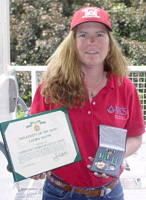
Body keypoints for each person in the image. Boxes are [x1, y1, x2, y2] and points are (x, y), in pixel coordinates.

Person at [30, 7, 145, 200]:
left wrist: (116, 157)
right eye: (83, 35)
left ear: (109, 44)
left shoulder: (125, 88)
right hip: (59, 192)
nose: (92, 42)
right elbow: (34, 137)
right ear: (73, 44)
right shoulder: (49, 88)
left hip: (110, 192)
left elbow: (135, 137)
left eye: (99, 34)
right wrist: (37, 162)